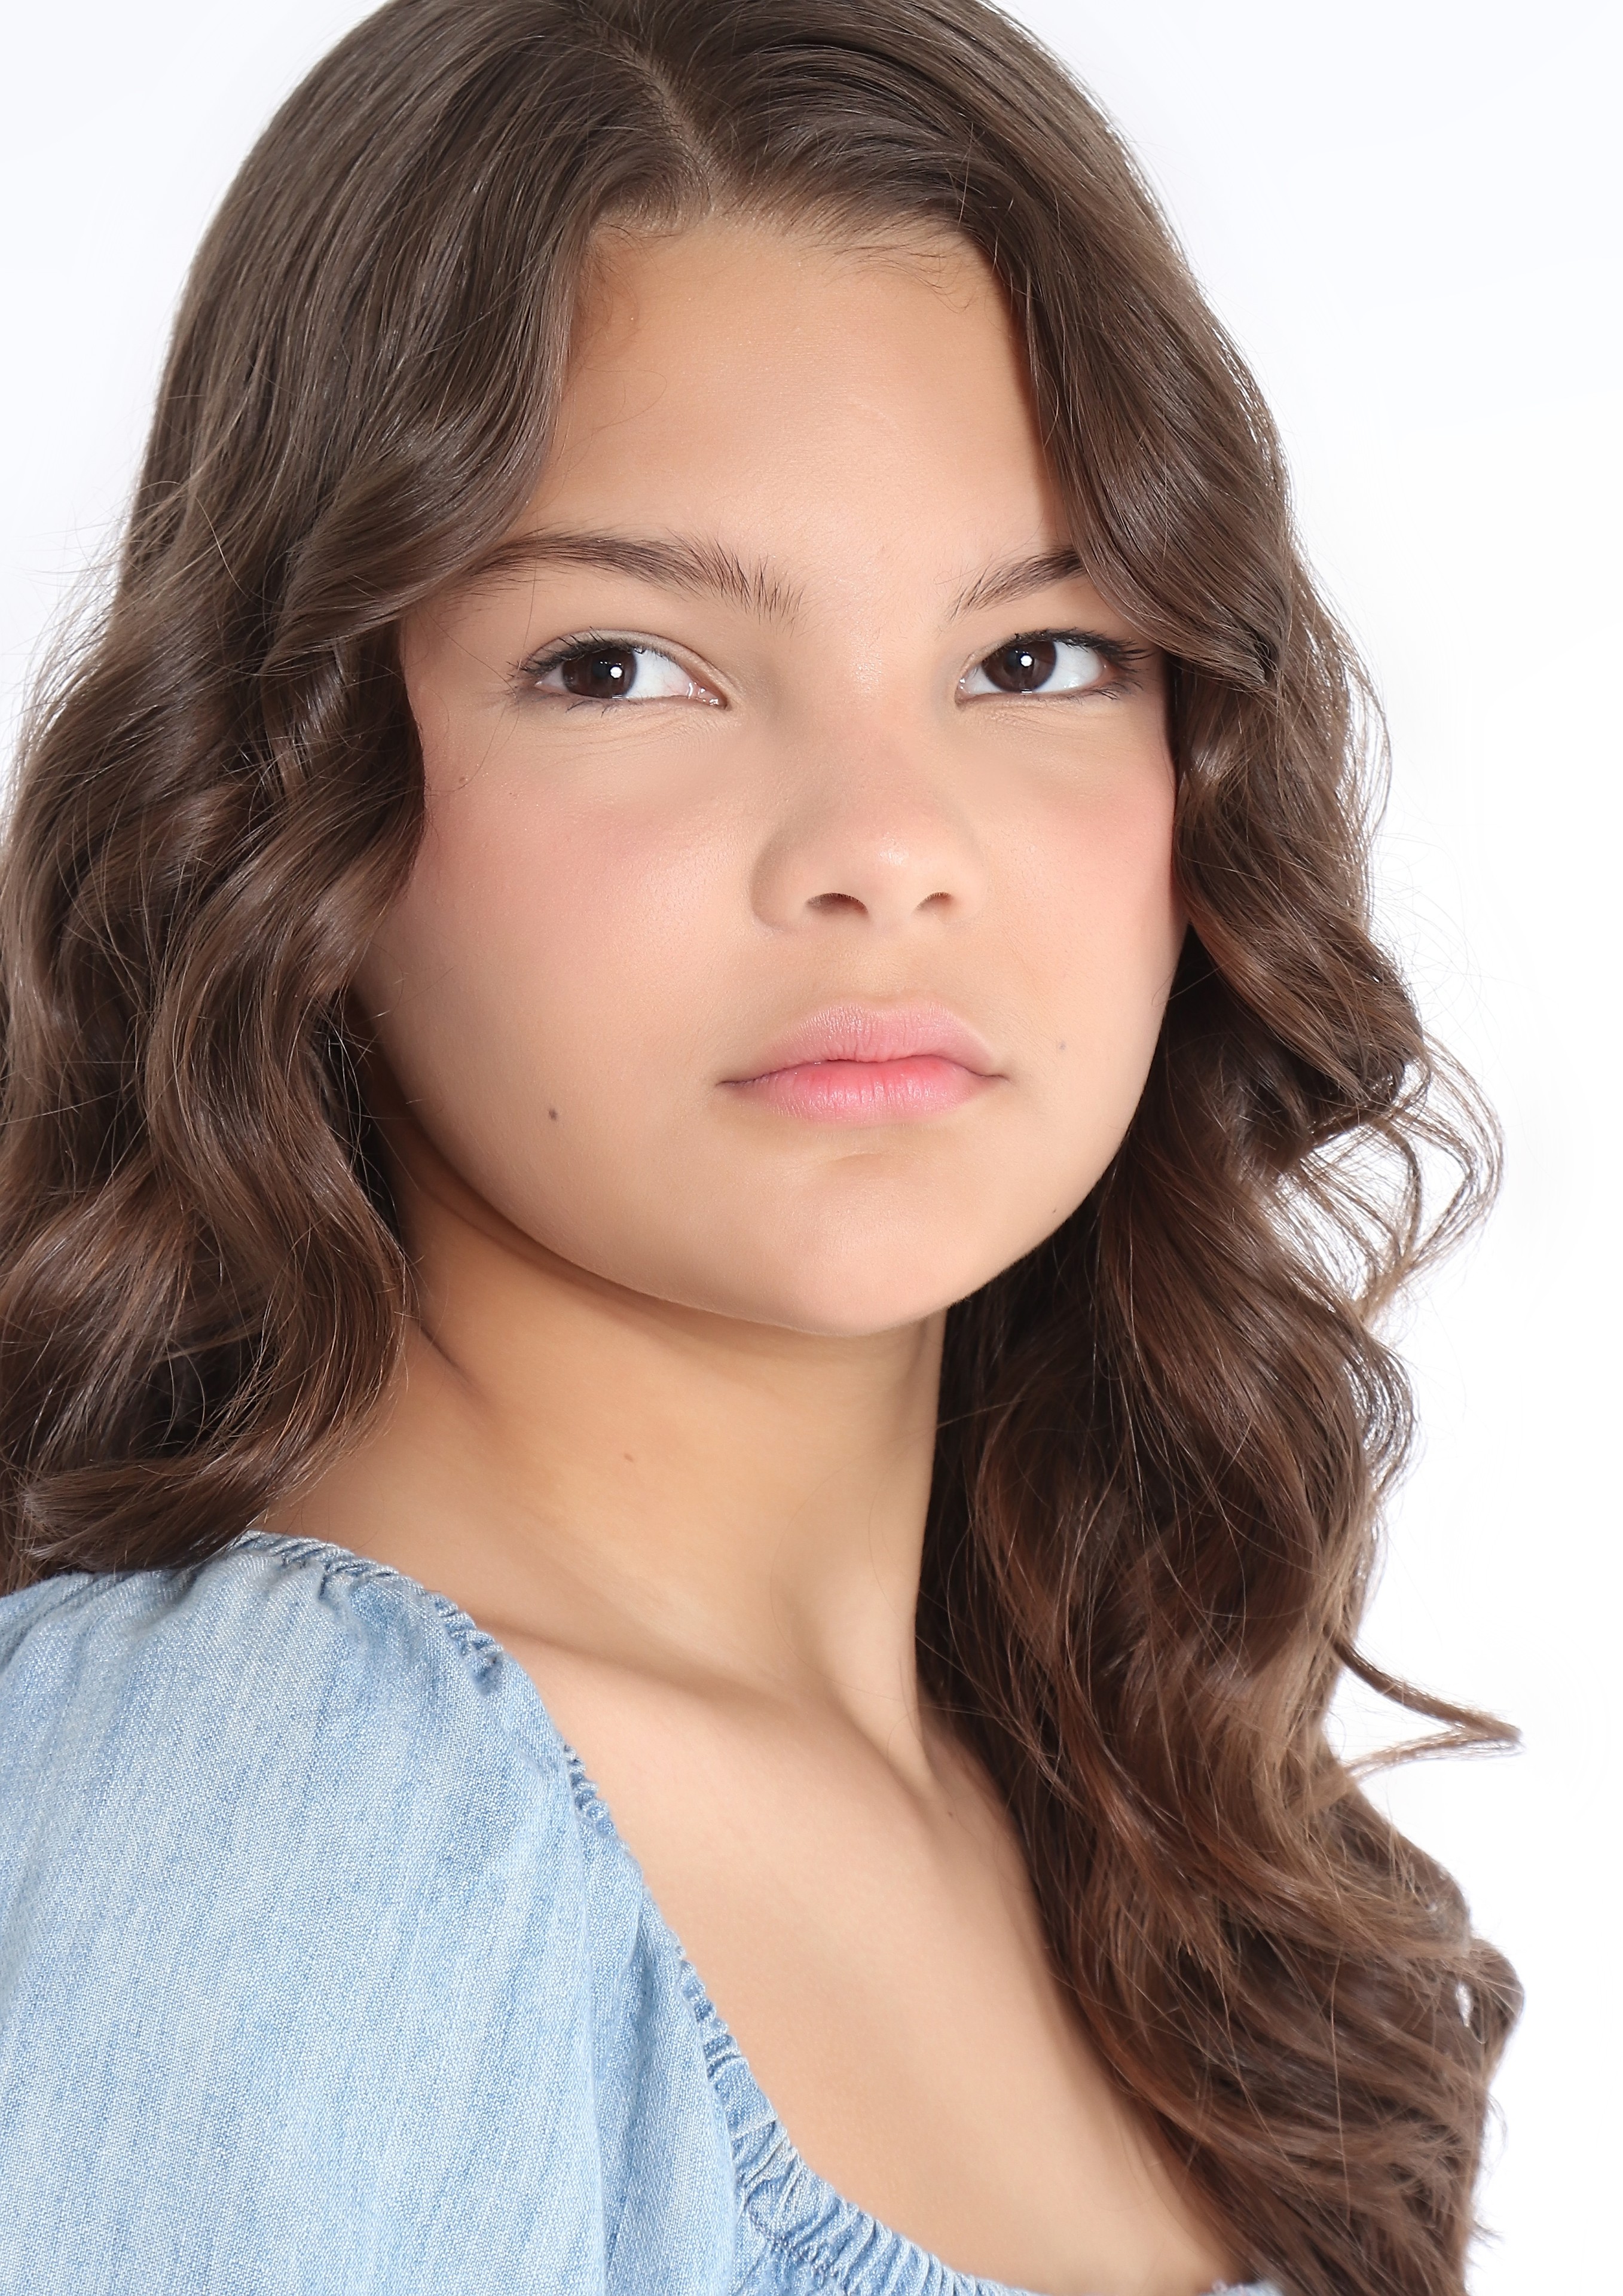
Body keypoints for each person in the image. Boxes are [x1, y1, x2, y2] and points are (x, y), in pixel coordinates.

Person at [0, 2, 1519, 2292]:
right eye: (621, 666)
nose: (883, 850)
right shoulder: (281, 1799)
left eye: (1036, 658)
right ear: (284, 787)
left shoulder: (1147, 1838)